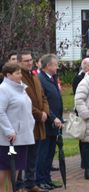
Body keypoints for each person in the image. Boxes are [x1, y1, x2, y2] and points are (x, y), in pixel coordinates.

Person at [0, 63, 35, 192]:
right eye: (17, 73)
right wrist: (9, 130)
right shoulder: (3, 89)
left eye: (20, 73)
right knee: (5, 170)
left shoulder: (21, 88)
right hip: (9, 140)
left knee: (16, 169)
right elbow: (0, 111)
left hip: (22, 137)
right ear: (8, 75)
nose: (21, 75)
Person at [17, 52, 49, 192]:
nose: (29, 63)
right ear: (19, 62)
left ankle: (30, 183)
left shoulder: (35, 76)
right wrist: (38, 114)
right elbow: (24, 102)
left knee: (33, 155)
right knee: (22, 156)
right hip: (26, 122)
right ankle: (19, 184)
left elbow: (43, 97)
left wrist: (45, 112)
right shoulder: (19, 79)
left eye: (31, 60)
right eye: (26, 61)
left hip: (38, 123)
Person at [36, 54, 63, 190]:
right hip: (46, 123)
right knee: (43, 153)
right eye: (55, 64)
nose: (57, 66)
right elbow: (43, 102)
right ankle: (40, 180)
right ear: (48, 66)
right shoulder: (40, 79)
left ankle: (47, 179)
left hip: (55, 123)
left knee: (50, 153)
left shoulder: (52, 78)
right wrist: (53, 117)